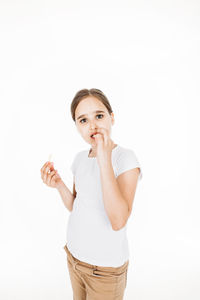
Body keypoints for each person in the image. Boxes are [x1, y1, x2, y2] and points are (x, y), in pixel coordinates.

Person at [40, 88, 143, 300]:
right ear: (77, 127)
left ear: (112, 118)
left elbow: (118, 220)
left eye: (99, 115)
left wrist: (103, 158)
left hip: (104, 271)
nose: (93, 125)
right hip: (74, 259)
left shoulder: (125, 159)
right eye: (83, 120)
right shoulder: (79, 158)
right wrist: (59, 185)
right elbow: (77, 206)